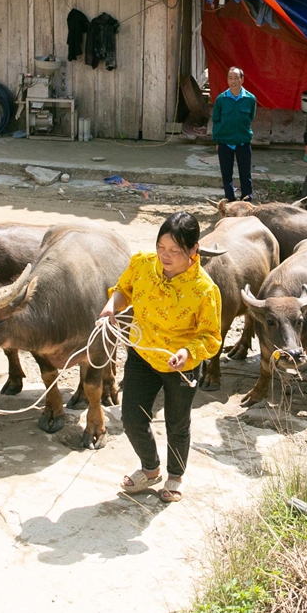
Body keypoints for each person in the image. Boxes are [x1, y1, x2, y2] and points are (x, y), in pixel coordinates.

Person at [101, 212, 222, 504]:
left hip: (180, 365)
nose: (165, 257)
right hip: (142, 354)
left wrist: (186, 353)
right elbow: (123, 291)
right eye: (161, 248)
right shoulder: (142, 264)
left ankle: (176, 475)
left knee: (176, 423)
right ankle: (151, 467)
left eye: (175, 252)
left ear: (194, 251)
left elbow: (210, 337)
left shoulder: (205, 290)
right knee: (131, 418)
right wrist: (110, 307)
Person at [211, 67, 258, 202]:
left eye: (236, 78)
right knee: (227, 175)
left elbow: (250, 117)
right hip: (225, 143)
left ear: (242, 80)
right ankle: (230, 201)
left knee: (245, 174)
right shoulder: (221, 99)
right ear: (227, 80)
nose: (233, 81)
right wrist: (218, 141)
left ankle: (247, 201)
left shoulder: (250, 99)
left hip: (243, 142)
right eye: (230, 78)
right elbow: (216, 120)